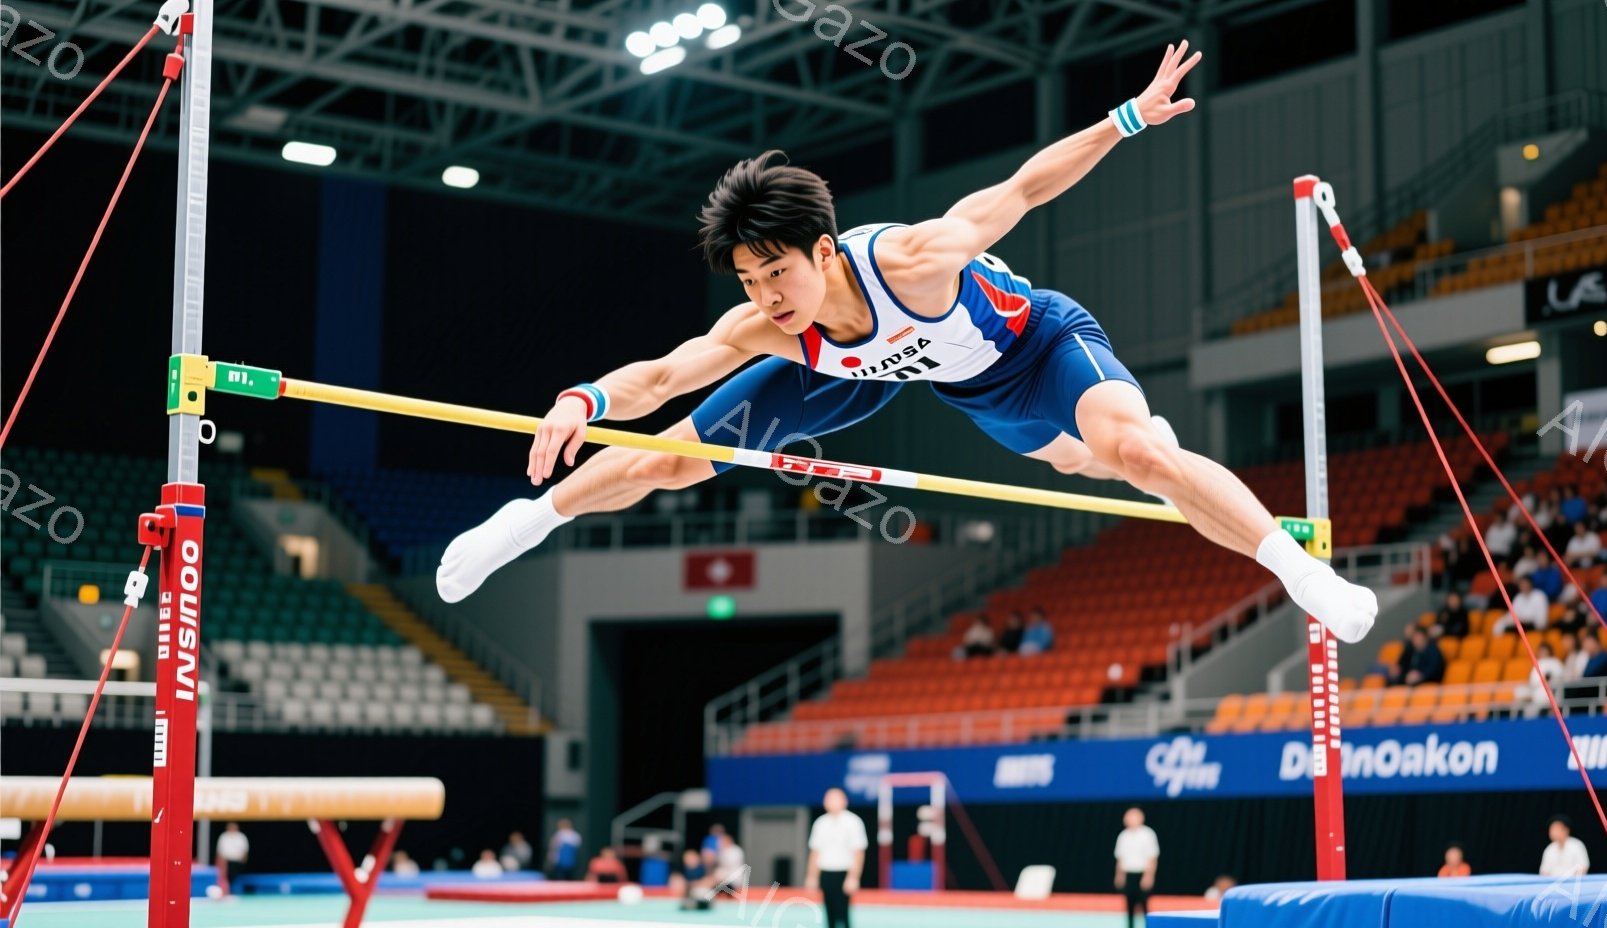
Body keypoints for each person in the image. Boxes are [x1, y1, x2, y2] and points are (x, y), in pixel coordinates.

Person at [433, 41, 1379, 651]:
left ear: (823, 249)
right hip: (916, 383)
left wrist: (1125, 118)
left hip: (1033, 353)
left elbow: (1025, 189)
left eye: (779, 277)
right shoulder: (772, 324)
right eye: (751, 285)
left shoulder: (918, 263)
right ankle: (519, 528)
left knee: (1132, 459)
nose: (768, 300)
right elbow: (667, 372)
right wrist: (582, 402)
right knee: (681, 458)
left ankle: (1303, 576)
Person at [807, 788, 867, 928]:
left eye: (835, 798)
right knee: (829, 911)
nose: (832, 802)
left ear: (844, 801)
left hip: (844, 871)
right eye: (829, 799)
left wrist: (853, 877)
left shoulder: (853, 822)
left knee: (843, 912)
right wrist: (812, 876)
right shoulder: (820, 823)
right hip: (826, 872)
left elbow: (858, 852)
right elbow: (815, 852)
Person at [1114, 807, 1159, 928]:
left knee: (1144, 903)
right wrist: (1119, 875)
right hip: (1129, 873)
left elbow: (1152, 857)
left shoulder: (1148, 834)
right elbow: (1120, 858)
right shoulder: (1123, 836)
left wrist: (1148, 876)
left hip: (1142, 873)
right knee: (1129, 904)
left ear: (1141, 818)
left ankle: (1148, 925)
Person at [1518, 642, 1566, 714]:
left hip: (1552, 697)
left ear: (1549, 651)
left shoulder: (1556, 663)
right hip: (1536, 698)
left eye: (1544, 650)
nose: (1542, 653)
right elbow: (1533, 683)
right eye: (1541, 651)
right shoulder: (1537, 664)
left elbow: (1559, 679)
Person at [215, 822, 249, 895]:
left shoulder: (241, 837)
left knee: (233, 876)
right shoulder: (223, 836)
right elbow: (220, 850)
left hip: (237, 861)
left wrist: (243, 860)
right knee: (225, 876)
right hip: (226, 861)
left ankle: (231, 890)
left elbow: (245, 849)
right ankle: (226, 890)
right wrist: (219, 861)